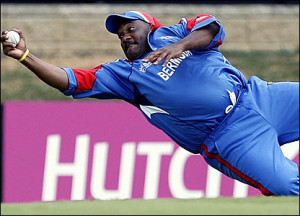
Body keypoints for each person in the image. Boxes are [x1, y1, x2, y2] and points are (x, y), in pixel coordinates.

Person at [2, 10, 299, 196]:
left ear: (149, 25)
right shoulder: (124, 74)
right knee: (287, 187)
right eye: (120, 35)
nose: (124, 36)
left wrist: (178, 46)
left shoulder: (176, 33)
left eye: (130, 28)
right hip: (230, 137)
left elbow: (212, 27)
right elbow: (69, 80)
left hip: (259, 96)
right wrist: (26, 57)